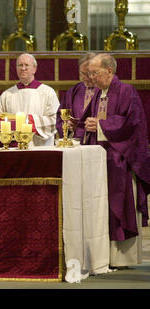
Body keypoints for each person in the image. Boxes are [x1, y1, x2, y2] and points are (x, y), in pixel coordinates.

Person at [84, 53, 150, 268]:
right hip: (100, 159)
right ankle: (105, 257)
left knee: (120, 204)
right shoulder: (98, 93)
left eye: (95, 73)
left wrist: (101, 126)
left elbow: (132, 123)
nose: (91, 77)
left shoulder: (126, 91)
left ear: (109, 71)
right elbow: (89, 121)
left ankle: (122, 258)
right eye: (90, 73)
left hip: (121, 159)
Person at [0, 53, 60, 146]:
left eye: (26, 65)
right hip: (14, 147)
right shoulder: (7, 94)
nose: (23, 68)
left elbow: (55, 120)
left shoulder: (47, 92)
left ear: (34, 69)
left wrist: (30, 121)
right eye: (20, 65)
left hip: (40, 147)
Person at [56, 52, 99, 140]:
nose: (85, 78)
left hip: (99, 141)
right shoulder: (74, 91)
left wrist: (100, 125)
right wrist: (68, 126)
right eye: (82, 73)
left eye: (88, 74)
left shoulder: (107, 90)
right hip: (77, 142)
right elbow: (60, 117)